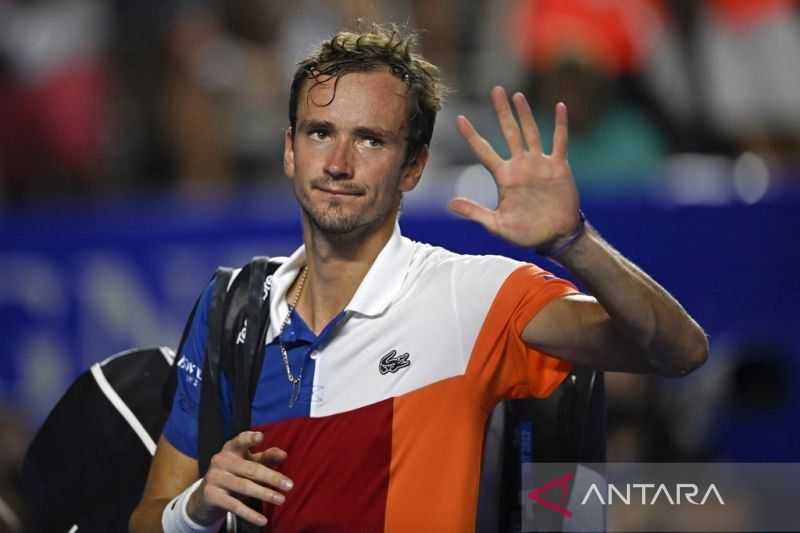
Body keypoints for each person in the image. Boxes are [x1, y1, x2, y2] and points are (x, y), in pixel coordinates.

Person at [129, 24, 708, 532]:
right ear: (289, 150)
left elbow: (679, 350)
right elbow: (148, 517)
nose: (337, 163)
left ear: (414, 166)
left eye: (370, 140)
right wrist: (197, 507)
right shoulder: (234, 308)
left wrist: (573, 242)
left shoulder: (472, 297)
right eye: (319, 132)